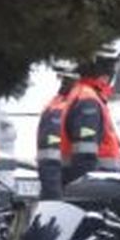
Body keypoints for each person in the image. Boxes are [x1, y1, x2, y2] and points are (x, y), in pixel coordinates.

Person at [58, 39, 120, 185]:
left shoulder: (85, 95)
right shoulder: (88, 101)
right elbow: (85, 157)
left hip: (96, 190)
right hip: (97, 194)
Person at [34, 59, 79, 200]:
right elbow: (49, 159)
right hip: (65, 193)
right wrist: (55, 200)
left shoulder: (66, 105)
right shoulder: (58, 110)